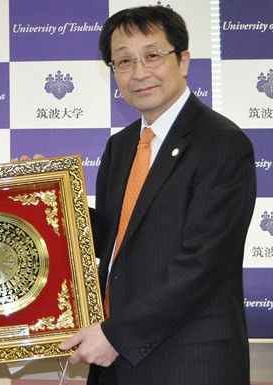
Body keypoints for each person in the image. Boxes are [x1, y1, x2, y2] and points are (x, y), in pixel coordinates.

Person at [56, 6, 256, 385]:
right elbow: (118, 238)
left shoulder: (222, 143)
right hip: (114, 363)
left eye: (152, 55)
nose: (139, 72)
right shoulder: (122, 145)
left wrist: (116, 334)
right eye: (124, 61)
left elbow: (203, 265)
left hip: (188, 362)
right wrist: (48, 202)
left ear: (182, 61)